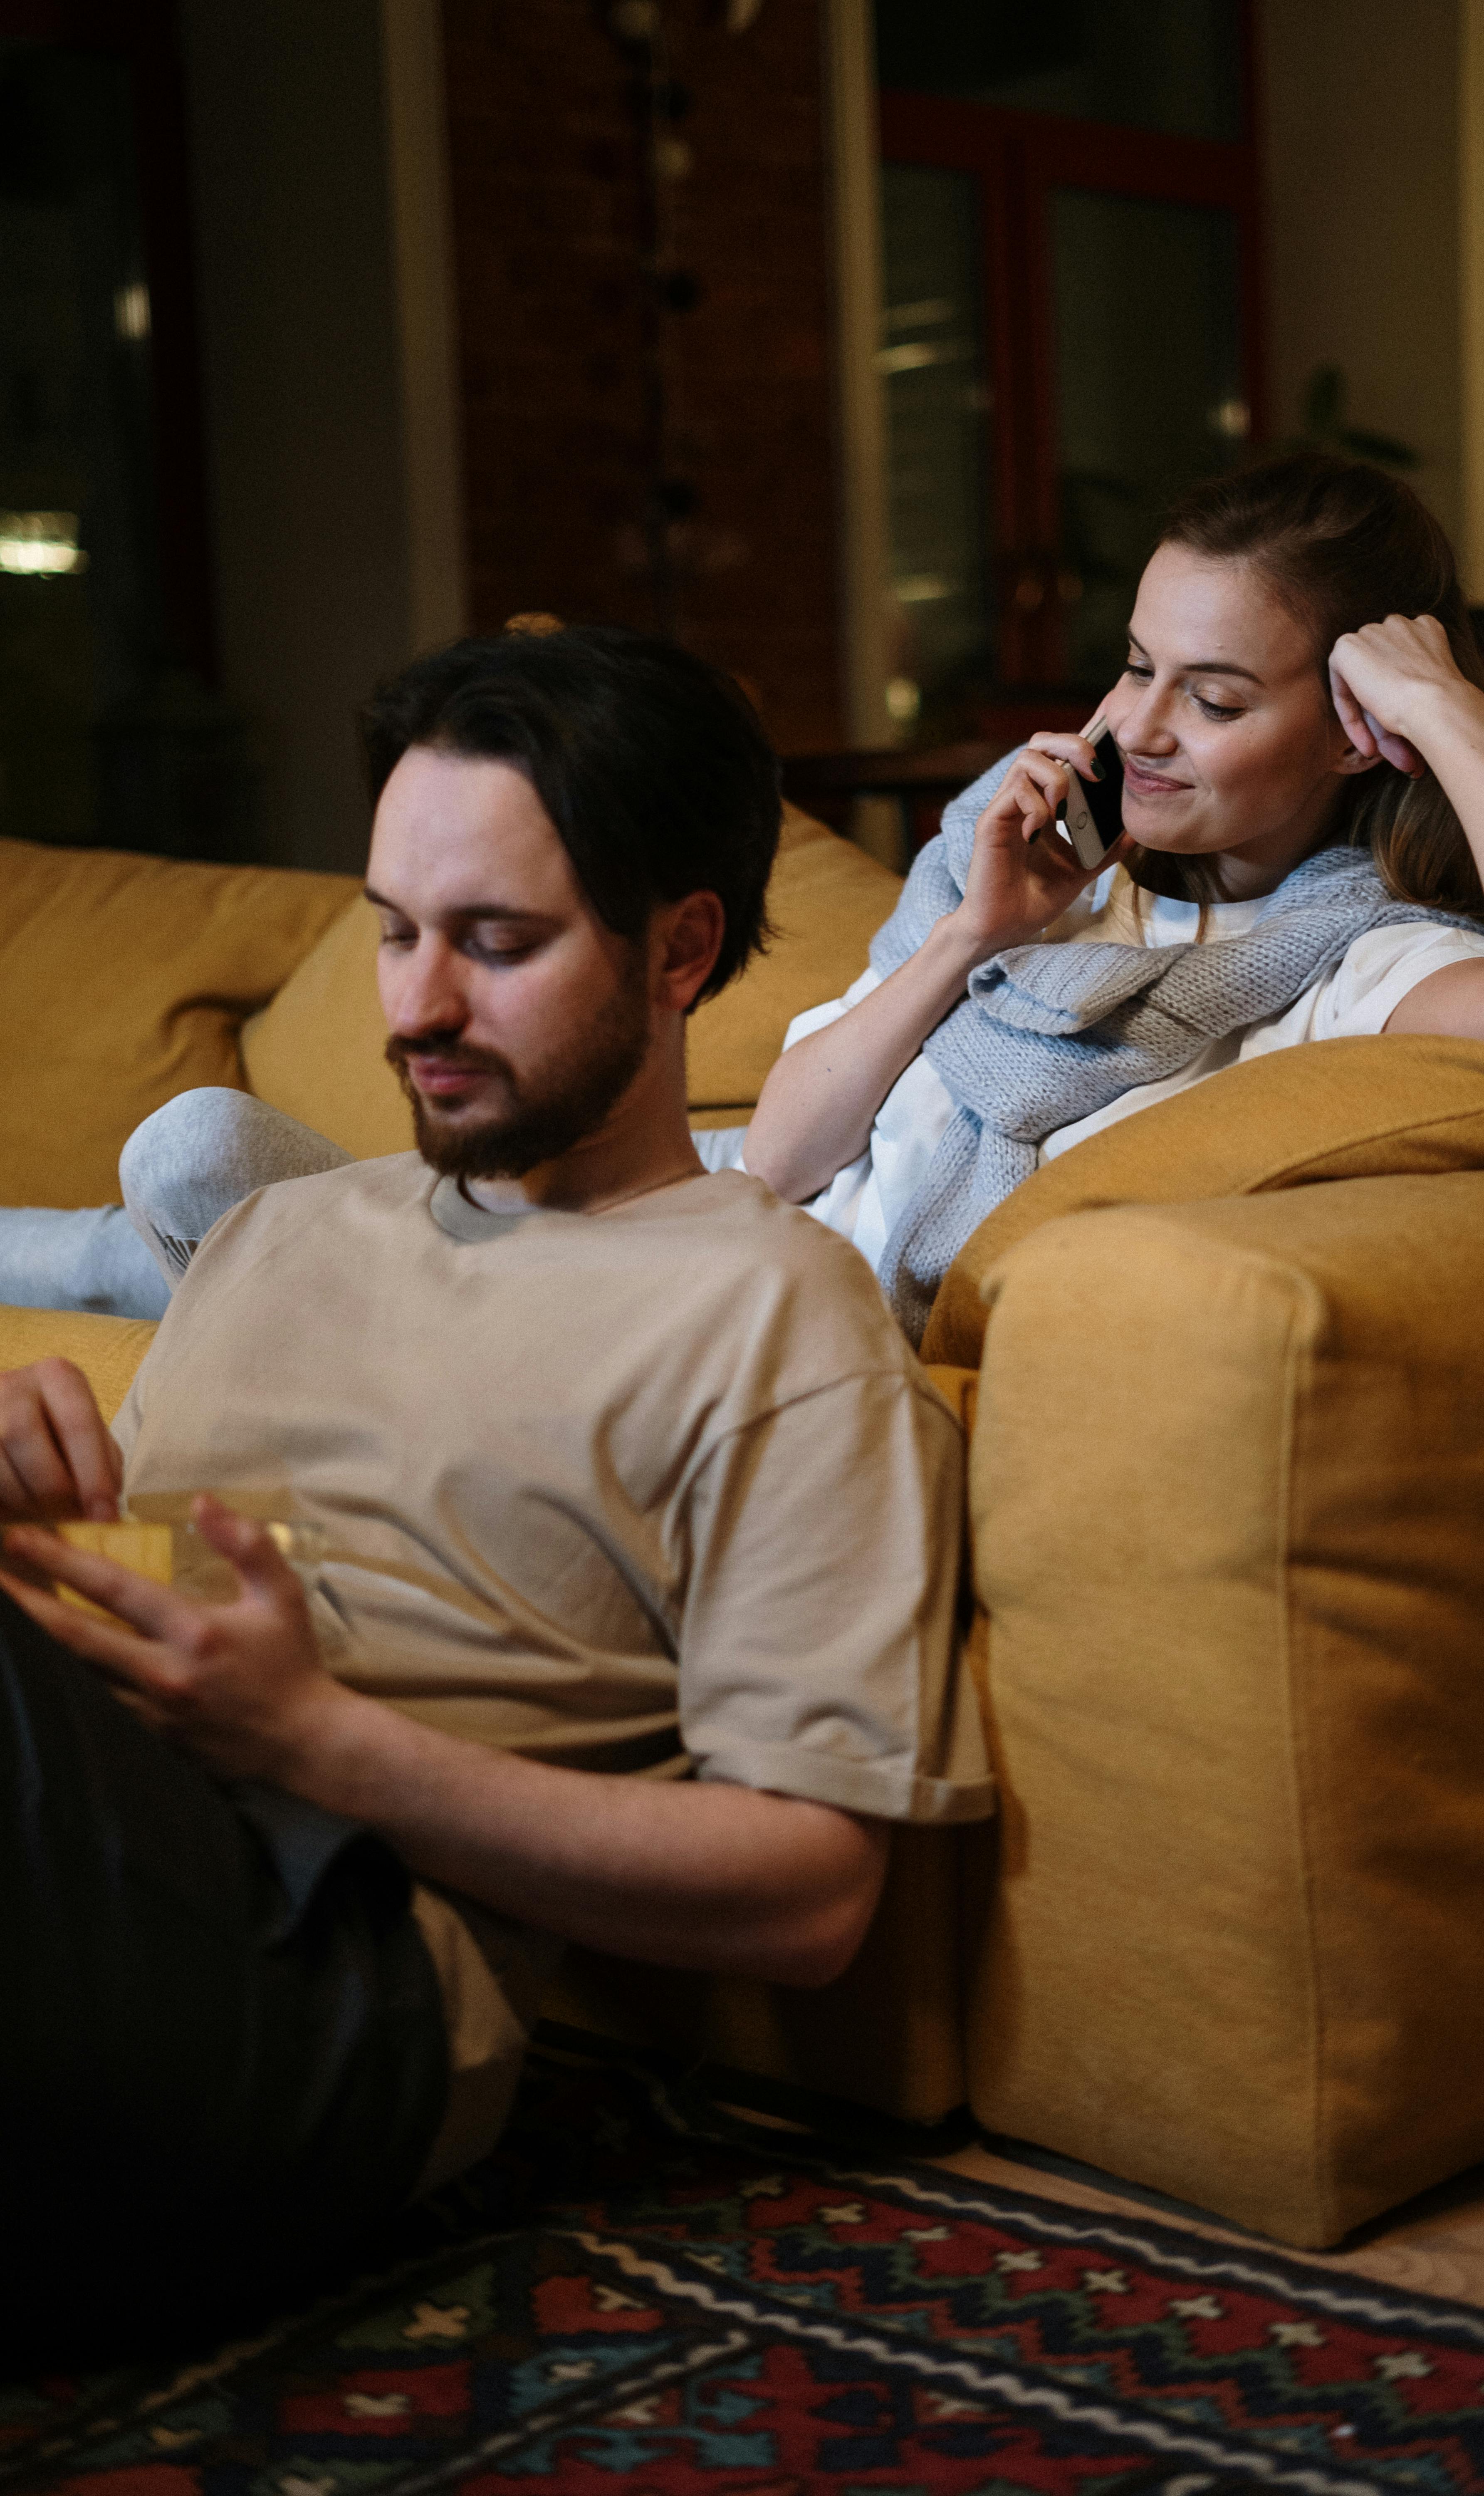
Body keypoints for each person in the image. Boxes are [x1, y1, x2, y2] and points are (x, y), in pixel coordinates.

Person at [0, 626, 990, 2362]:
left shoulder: (766, 1309)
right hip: (93, 1875)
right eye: (392, 931)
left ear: (680, 948)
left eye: (497, 944)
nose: (414, 1005)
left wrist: (316, 1739)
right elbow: (176, 1608)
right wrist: (49, 1531)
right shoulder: (283, 1231)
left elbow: (812, 1893)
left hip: (339, 1991)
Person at [740, 455, 1484, 1340]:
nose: (1139, 729)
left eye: (1214, 702)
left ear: (1354, 735)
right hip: (775, 1287)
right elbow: (776, 1164)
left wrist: (1446, 710)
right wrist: (969, 937)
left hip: (885, 1361)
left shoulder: (1360, 964)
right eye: (1139, 668)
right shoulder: (1022, 868)